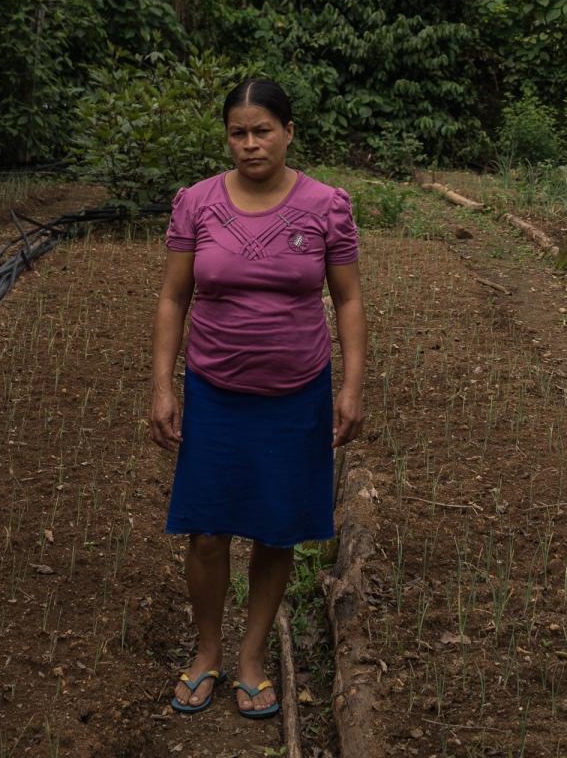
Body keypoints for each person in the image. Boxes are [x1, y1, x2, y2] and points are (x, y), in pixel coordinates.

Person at [147, 77, 367, 720]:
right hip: (214, 391)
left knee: (277, 529)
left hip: (297, 394)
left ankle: (250, 658)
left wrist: (351, 386)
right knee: (208, 530)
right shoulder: (196, 203)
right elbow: (172, 298)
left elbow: (348, 300)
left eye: (262, 130)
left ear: (289, 132)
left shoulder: (327, 206)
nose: (250, 144)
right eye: (238, 133)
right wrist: (163, 383)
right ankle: (207, 652)